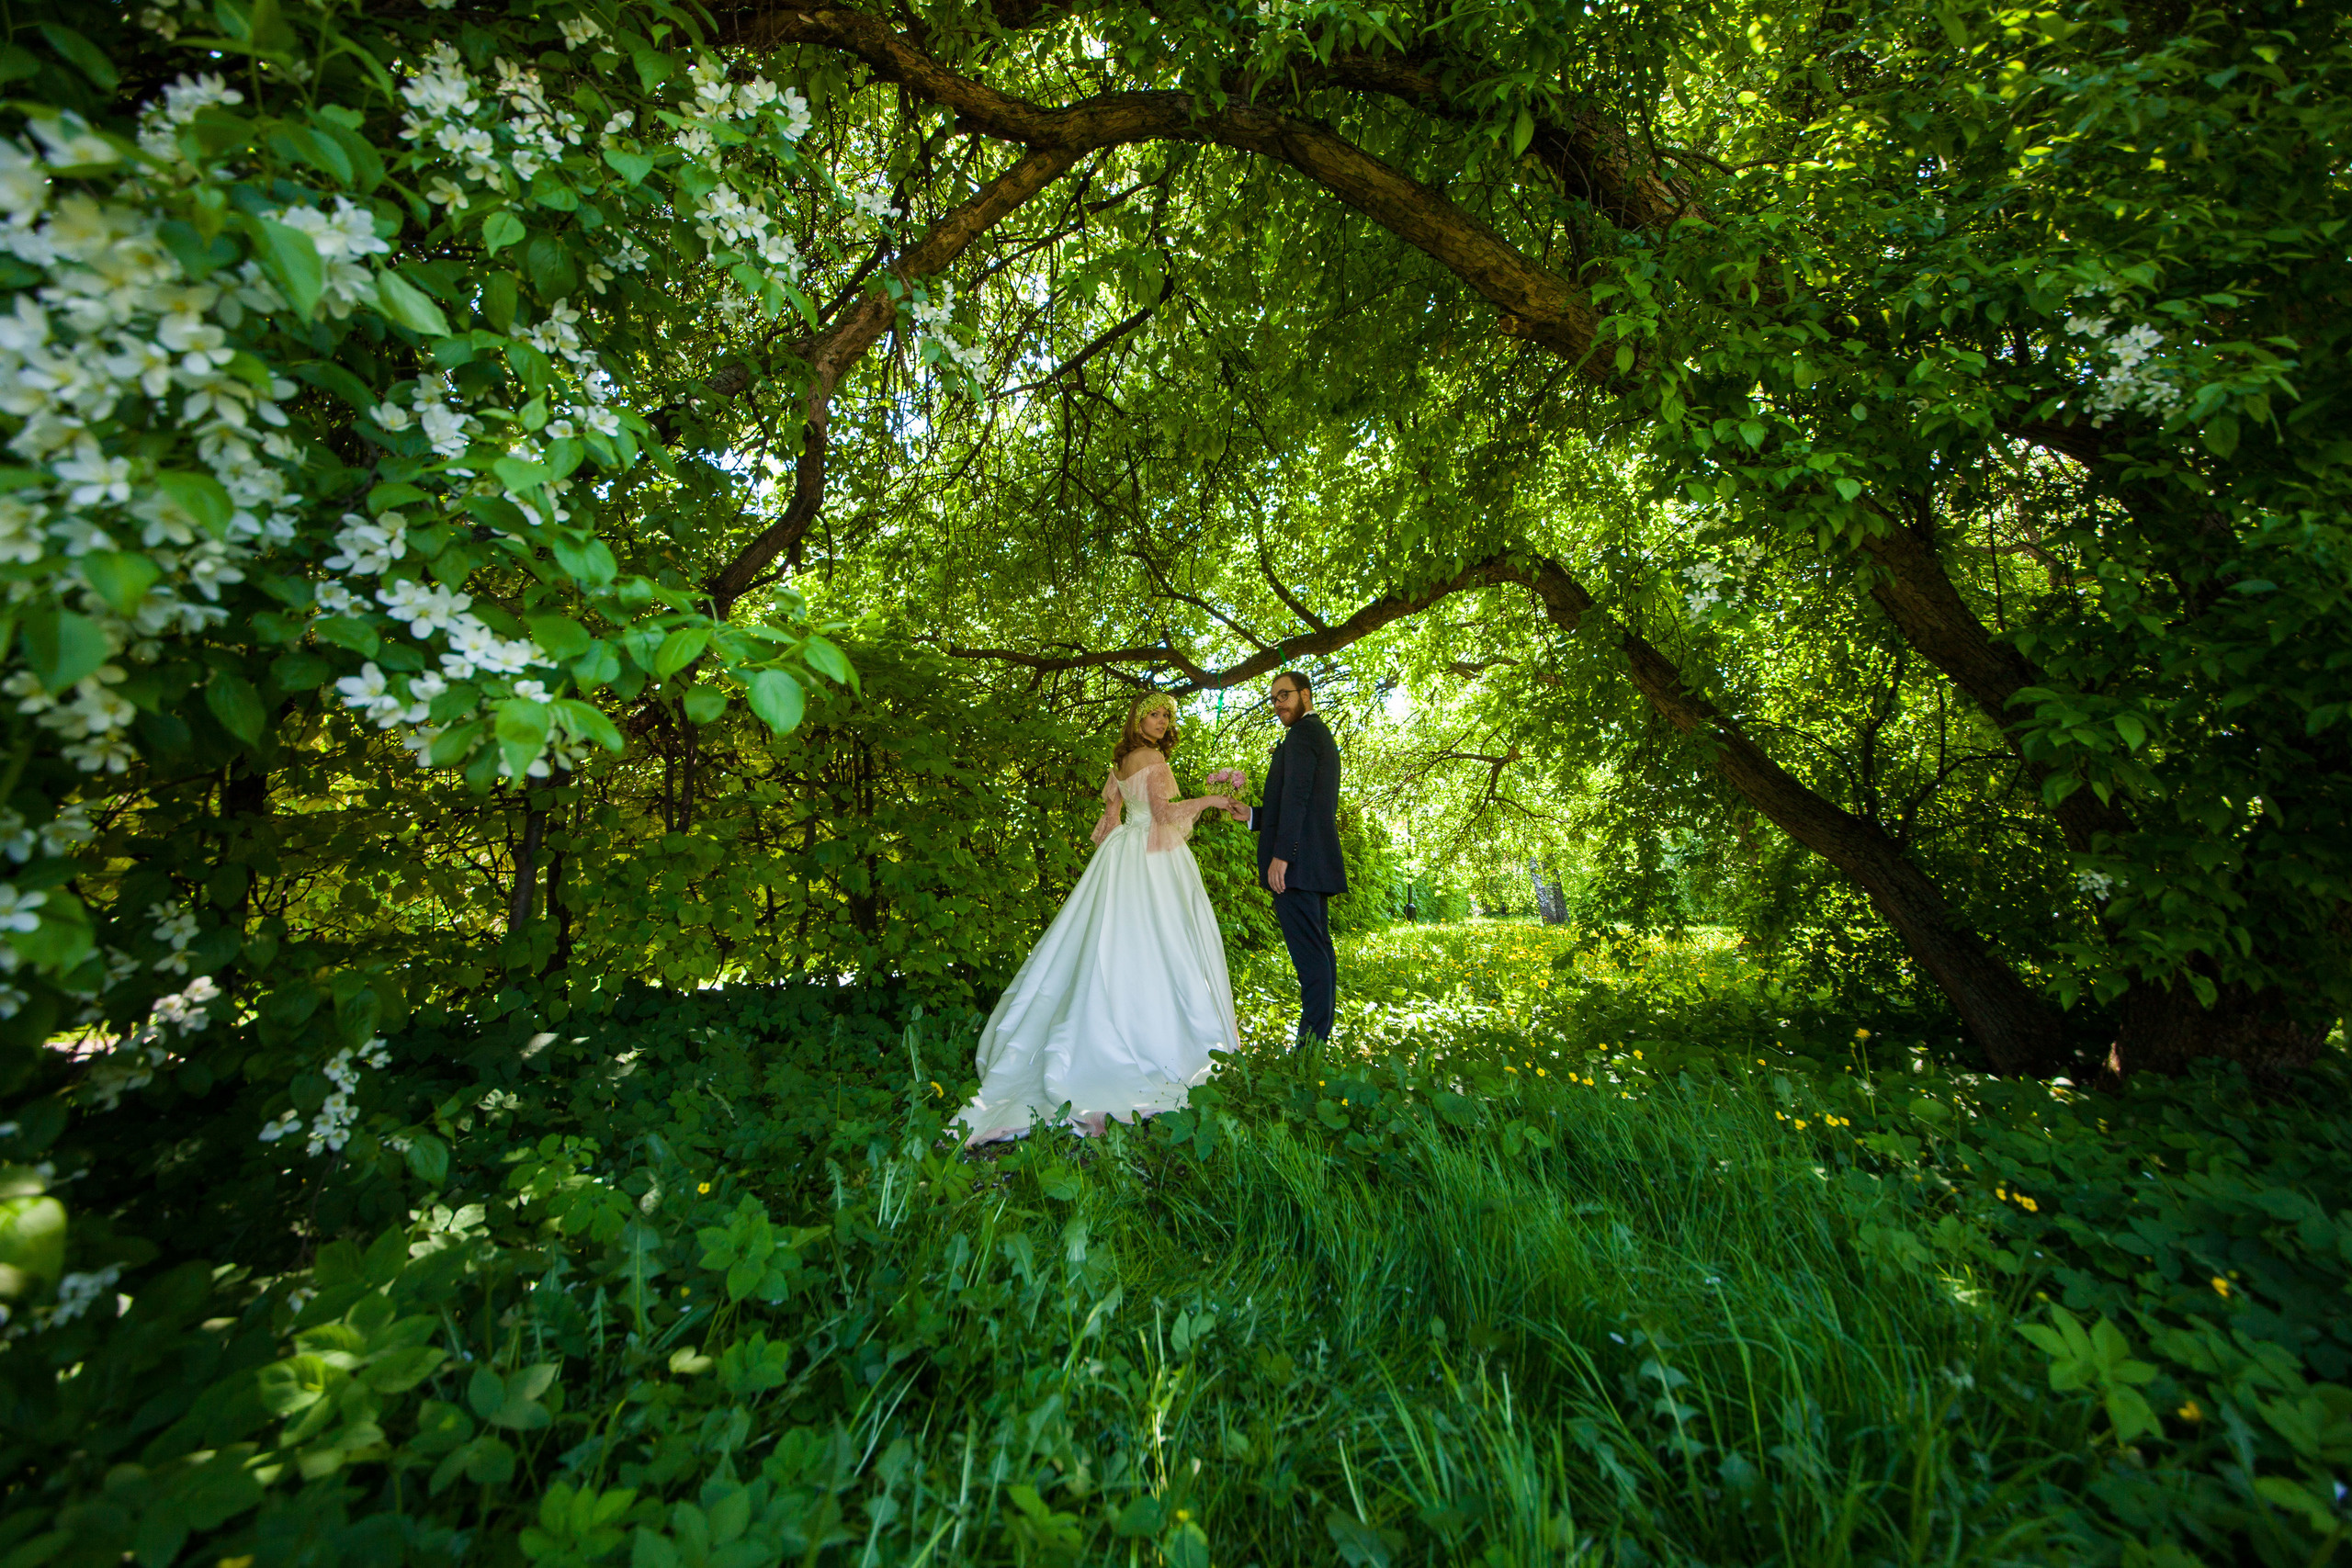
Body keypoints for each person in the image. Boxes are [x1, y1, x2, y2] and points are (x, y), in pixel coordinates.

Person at [954, 693, 1241, 1145]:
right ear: (1137, 719)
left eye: (1167, 714)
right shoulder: (1152, 760)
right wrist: (1213, 800)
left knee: (1110, 941)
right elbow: (1165, 815)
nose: (1162, 721)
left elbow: (1109, 823)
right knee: (1162, 942)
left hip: (1122, 856)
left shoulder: (1122, 763)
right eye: (1154, 713)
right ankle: (1157, 1039)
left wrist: (1113, 864)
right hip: (1151, 858)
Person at [1224, 671, 1346, 1048]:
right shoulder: (1314, 734)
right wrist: (1254, 816)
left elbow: (1298, 798)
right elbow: (1296, 800)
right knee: (1320, 952)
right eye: (1274, 698)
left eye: (1285, 695)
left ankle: (1309, 1051)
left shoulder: (1303, 734)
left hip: (1299, 865)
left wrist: (1282, 857)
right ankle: (1316, 1045)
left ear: (1305, 695)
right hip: (1311, 861)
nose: (1278, 703)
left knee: (1311, 960)